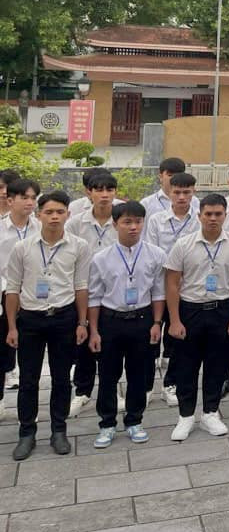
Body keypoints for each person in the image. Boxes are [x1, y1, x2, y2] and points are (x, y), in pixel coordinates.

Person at [4, 190, 91, 460]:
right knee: (29, 380)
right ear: (39, 214)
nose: (54, 217)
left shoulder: (79, 246)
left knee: (62, 378)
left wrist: (82, 322)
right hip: (30, 319)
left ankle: (58, 430)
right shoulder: (23, 248)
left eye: (60, 212)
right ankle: (26, 433)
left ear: (68, 214)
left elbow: (81, 286)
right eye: (49, 212)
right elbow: (13, 289)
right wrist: (12, 327)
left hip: (63, 318)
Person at [164, 194, 229, 441]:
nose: (212, 219)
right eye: (208, 214)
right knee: (186, 366)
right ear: (199, 215)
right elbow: (172, 283)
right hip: (190, 310)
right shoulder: (184, 244)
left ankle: (211, 412)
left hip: (221, 309)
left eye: (218, 214)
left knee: (218, 364)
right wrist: (175, 320)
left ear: (225, 215)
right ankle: (186, 415)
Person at [86, 200, 165, 448]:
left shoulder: (155, 254)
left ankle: (134, 420)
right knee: (108, 375)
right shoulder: (101, 258)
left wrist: (157, 323)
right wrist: (94, 330)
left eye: (138, 221)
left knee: (138, 375)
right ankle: (107, 424)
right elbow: (95, 296)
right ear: (115, 224)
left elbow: (158, 293)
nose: (133, 227)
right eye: (127, 222)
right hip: (111, 321)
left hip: (142, 320)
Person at [144, 170, 198, 406]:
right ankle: (145, 386)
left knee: (177, 339)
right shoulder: (156, 220)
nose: (182, 197)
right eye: (177, 192)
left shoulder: (198, 219)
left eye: (187, 192)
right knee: (151, 339)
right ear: (170, 194)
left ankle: (171, 383)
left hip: (186, 287)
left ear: (193, 192)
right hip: (159, 286)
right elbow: (152, 253)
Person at [67, 170, 119, 415]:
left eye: (109, 190)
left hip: (114, 291)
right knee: (84, 339)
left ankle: (113, 388)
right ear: (89, 193)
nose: (105, 195)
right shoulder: (76, 222)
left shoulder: (122, 217)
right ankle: (82, 390)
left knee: (112, 343)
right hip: (84, 289)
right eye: (99, 190)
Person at [0, 178, 40, 420]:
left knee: (31, 354)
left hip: (36, 296)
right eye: (24, 197)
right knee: (2, 351)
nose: (30, 202)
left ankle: (29, 408)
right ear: (10, 199)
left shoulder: (40, 227)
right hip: (6, 295)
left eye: (33, 198)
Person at [142, 157, 190, 222]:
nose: (174, 179)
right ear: (161, 177)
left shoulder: (194, 202)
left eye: (178, 175)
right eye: (170, 175)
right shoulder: (146, 204)